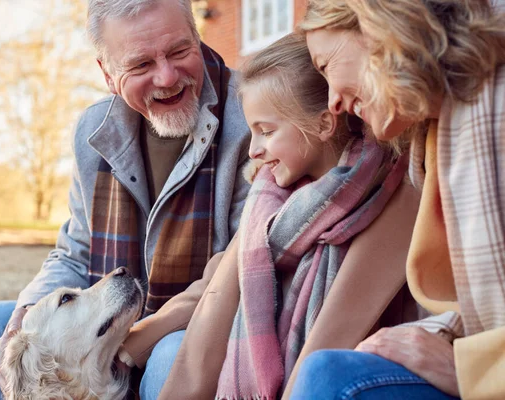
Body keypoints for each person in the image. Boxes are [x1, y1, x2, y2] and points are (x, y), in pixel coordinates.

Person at [0, 0, 252, 398]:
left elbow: (243, 267)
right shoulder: (94, 130)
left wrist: (138, 338)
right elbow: (76, 251)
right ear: (107, 73)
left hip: (207, 318)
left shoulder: (252, 113)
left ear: (196, 36)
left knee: (171, 354)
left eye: (179, 51)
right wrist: (27, 311)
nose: (167, 76)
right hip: (118, 308)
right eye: (140, 65)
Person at [156, 32, 423, 400]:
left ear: (324, 124)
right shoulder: (268, 201)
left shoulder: (387, 190)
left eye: (265, 131)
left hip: (360, 377)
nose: (253, 151)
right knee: (161, 358)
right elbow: (215, 291)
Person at [292, 1, 505, 399]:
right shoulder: (441, 134)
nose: (333, 102)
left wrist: (465, 369)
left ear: (378, 26)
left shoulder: (493, 109)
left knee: (332, 378)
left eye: (325, 65)